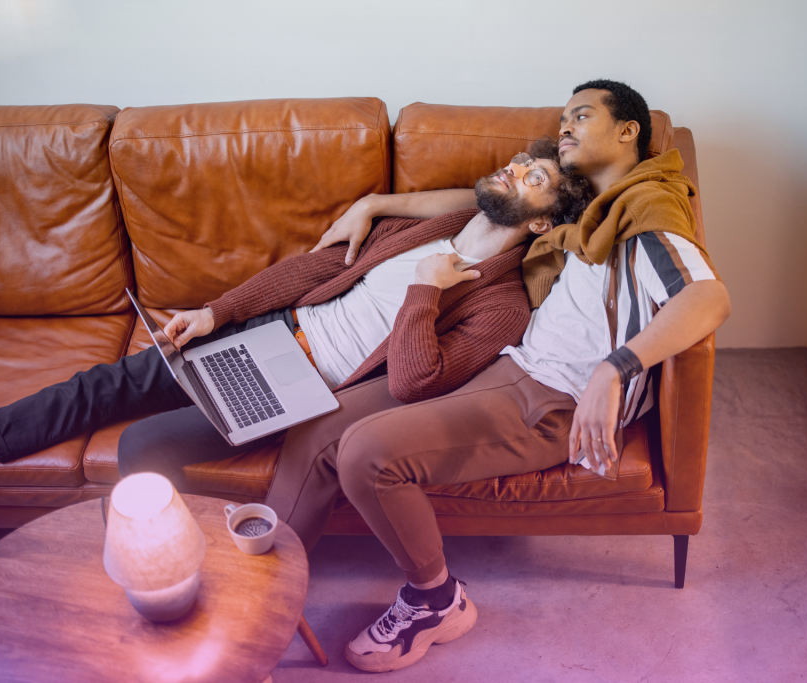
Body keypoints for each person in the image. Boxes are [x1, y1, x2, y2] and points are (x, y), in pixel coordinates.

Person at [278, 80, 732, 673]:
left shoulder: (646, 212)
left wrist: (615, 368)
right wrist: (376, 202)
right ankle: (265, 583)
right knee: (321, 429)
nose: (565, 127)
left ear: (629, 133)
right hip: (511, 365)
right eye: (564, 118)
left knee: (367, 453)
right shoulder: (591, 207)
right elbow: (482, 204)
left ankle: (435, 601)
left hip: (551, 398)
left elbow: (707, 298)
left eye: (582, 116)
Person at [0, 140, 592, 481]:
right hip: (275, 329)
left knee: (143, 448)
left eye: (531, 177)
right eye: (518, 162)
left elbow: (415, 382)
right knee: (110, 382)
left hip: (303, 385)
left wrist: (425, 291)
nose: (512, 170)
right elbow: (324, 267)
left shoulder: (503, 306)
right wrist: (216, 314)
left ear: (541, 222)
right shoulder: (442, 223)